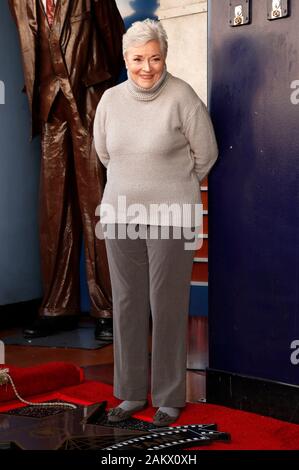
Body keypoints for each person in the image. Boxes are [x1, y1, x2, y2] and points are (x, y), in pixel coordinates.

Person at [93, 19, 218, 427]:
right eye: (138, 59)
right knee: (127, 305)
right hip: (119, 217)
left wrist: (170, 187)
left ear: (165, 57)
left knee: (166, 306)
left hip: (173, 218)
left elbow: (207, 155)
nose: (147, 67)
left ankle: (168, 396)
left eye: (155, 58)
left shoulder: (183, 96)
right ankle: (129, 394)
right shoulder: (110, 100)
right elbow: (105, 154)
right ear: (125, 58)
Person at [8, 0, 125, 340]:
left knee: (98, 203)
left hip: (90, 100)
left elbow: (114, 38)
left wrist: (96, 82)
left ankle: (110, 309)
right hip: (49, 104)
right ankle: (58, 307)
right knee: (54, 210)